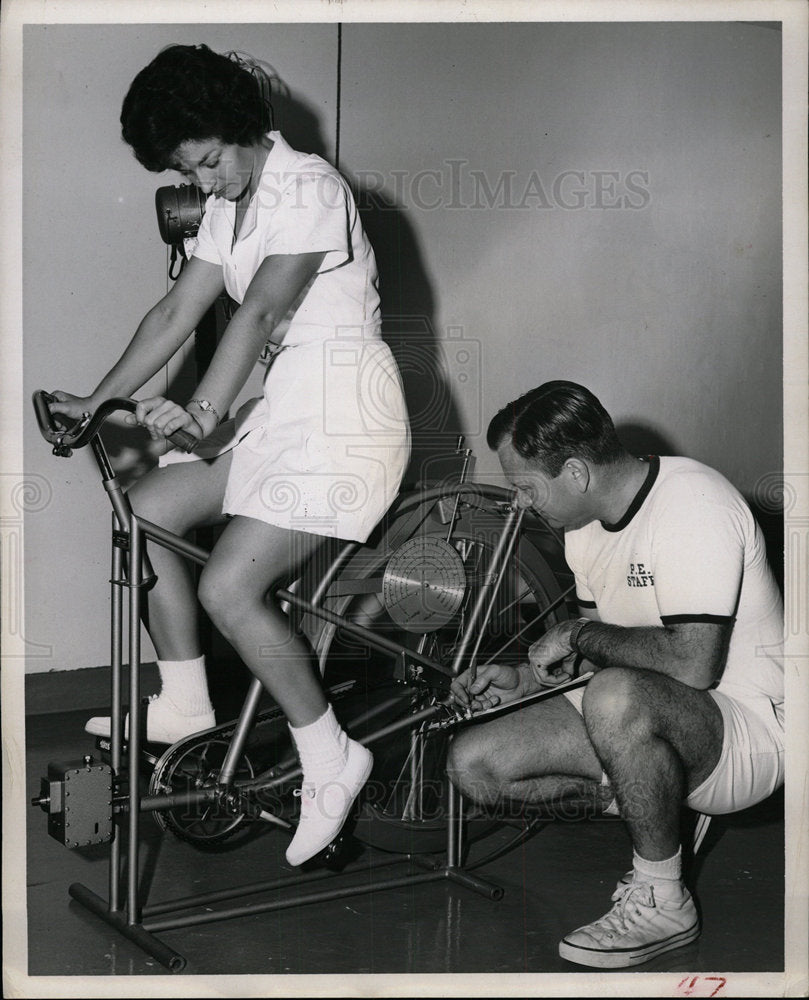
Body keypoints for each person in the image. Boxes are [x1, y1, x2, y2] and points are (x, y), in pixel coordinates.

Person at [49, 43, 410, 867]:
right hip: (282, 407)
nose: (203, 180)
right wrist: (97, 397)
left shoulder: (309, 186)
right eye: (186, 167)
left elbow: (256, 316)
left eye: (207, 159)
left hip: (344, 414)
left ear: (244, 128)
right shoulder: (229, 205)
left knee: (229, 585)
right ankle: (183, 700)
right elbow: (179, 309)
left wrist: (202, 408)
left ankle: (331, 757)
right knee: (142, 514)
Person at [448, 380, 784, 968]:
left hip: (753, 732)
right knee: (474, 766)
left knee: (615, 697)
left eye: (527, 488)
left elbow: (693, 663)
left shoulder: (692, 504)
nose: (521, 503)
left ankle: (663, 898)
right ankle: (655, 800)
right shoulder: (582, 532)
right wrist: (526, 682)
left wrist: (576, 635)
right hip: (653, 709)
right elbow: (605, 656)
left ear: (576, 473)